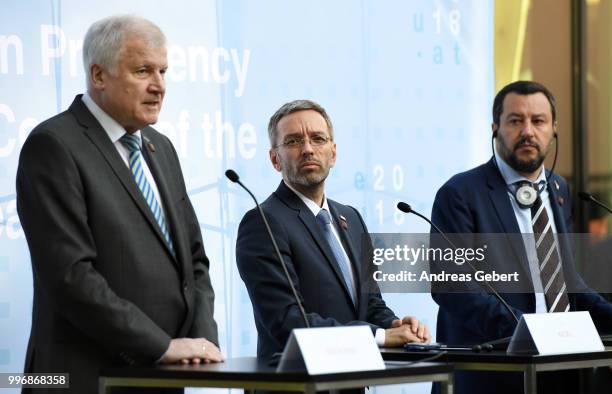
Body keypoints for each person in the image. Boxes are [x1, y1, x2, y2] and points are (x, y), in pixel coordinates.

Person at [16, 15, 222, 394]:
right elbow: (70, 276)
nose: (159, 86)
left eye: (163, 71)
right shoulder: (54, 145)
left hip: (162, 378)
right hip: (85, 379)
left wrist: (202, 342)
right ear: (98, 76)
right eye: (143, 70)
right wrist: (160, 347)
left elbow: (194, 259)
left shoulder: (161, 148)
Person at [430, 80, 612, 394]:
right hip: (492, 374)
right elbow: (453, 287)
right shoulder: (460, 193)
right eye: (515, 121)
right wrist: (529, 332)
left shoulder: (559, 189)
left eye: (538, 121)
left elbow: (566, 282)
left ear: (554, 129)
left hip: (557, 370)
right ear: (494, 128)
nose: (528, 131)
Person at [236, 99, 430, 361]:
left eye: (318, 138)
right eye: (293, 141)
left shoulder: (351, 218)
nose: (307, 149)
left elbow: (370, 304)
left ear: (333, 153)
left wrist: (396, 326)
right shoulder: (263, 222)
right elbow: (287, 321)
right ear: (274, 159)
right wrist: (381, 337)